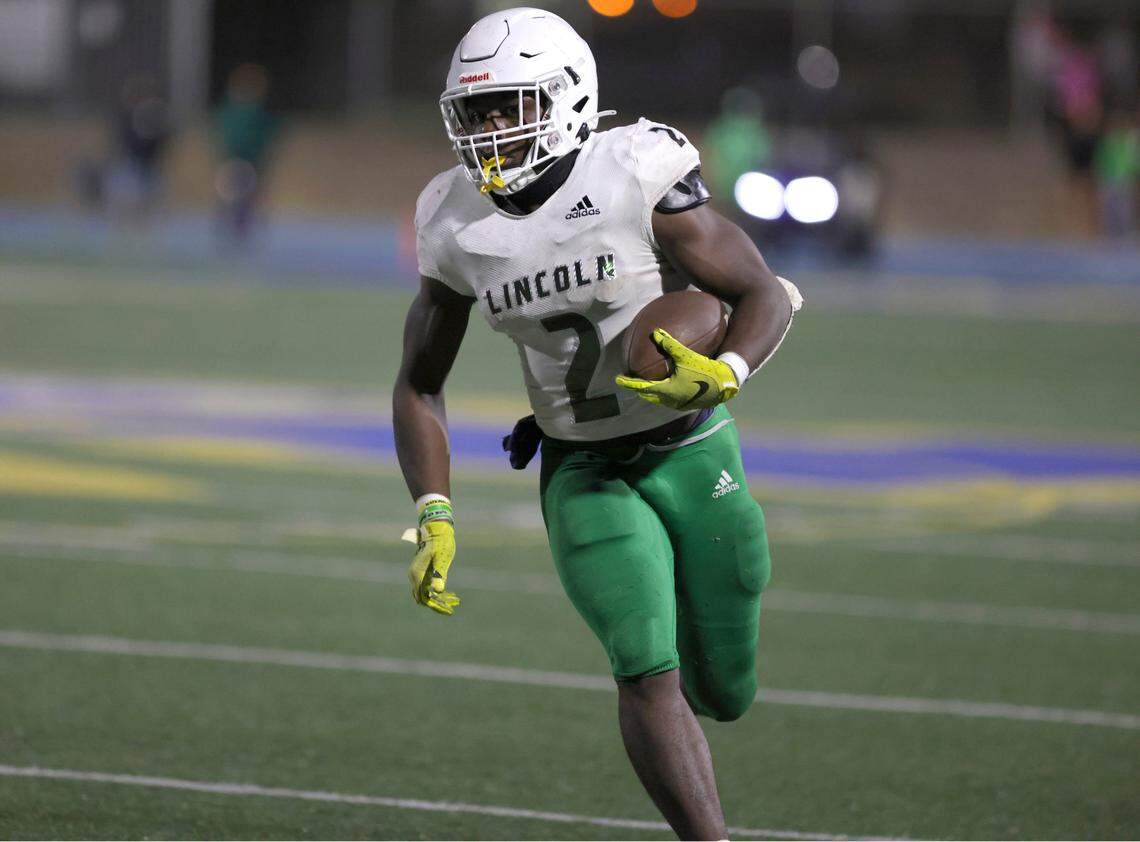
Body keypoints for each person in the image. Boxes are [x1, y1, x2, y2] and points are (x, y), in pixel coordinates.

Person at [393, 9, 802, 839]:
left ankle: (700, 706)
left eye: (510, 107)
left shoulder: (632, 172)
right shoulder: (455, 222)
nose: (491, 132)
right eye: (476, 114)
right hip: (583, 469)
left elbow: (762, 291)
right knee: (643, 659)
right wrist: (433, 509)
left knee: (725, 688)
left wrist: (725, 369)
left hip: (690, 448)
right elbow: (418, 384)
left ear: (568, 96)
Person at [213, 63, 279, 246]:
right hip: (232, 161)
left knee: (248, 201)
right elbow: (221, 133)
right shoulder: (230, 110)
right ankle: (224, 232)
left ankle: (242, 233)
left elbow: (267, 136)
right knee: (228, 198)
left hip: (249, 163)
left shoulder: (259, 112)